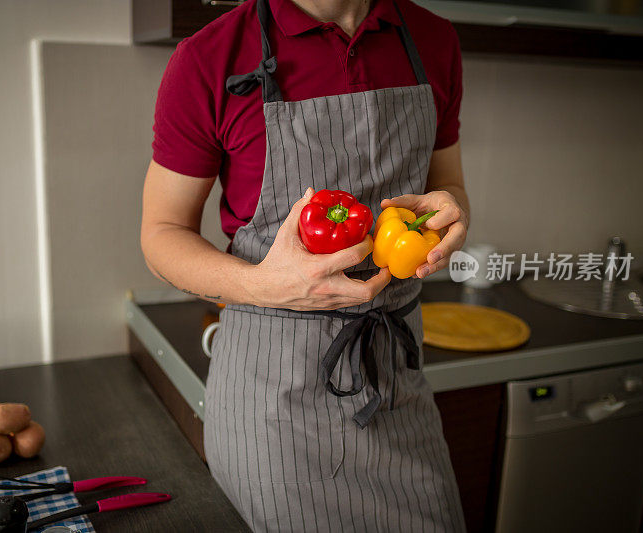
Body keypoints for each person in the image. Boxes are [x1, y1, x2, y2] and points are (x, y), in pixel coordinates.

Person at [141, 0, 470, 530]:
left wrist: (452, 212)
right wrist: (262, 284)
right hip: (276, 406)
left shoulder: (432, 40)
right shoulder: (209, 57)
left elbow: (448, 186)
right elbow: (161, 235)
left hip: (396, 383)